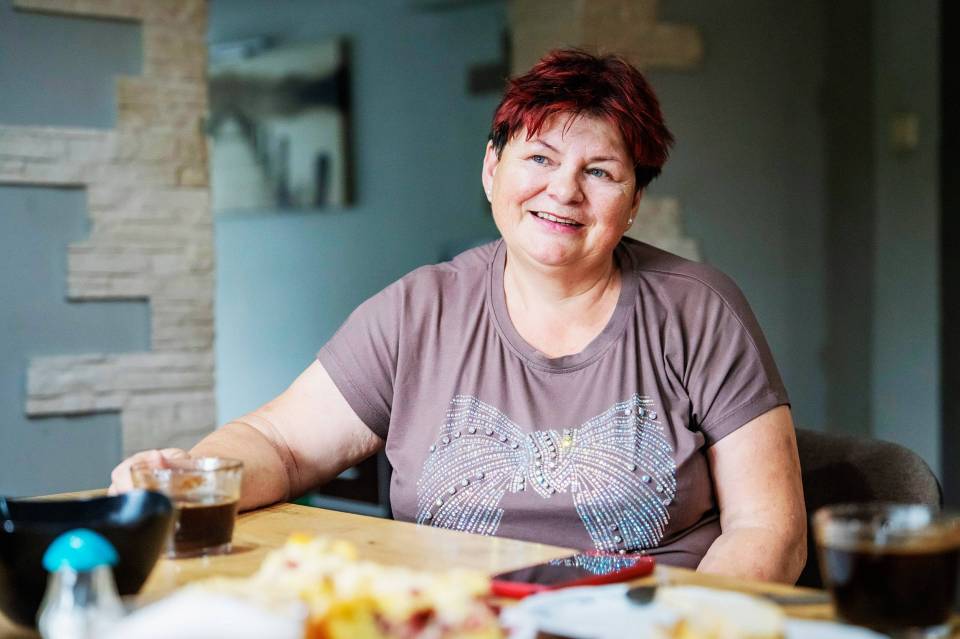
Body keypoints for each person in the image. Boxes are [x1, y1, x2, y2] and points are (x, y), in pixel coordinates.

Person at [111, 49, 806, 583]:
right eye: (539, 157)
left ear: (633, 203)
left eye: (600, 171)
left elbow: (768, 530)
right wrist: (190, 476)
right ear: (491, 170)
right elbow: (282, 443)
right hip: (448, 616)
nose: (563, 190)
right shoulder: (419, 309)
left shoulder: (699, 309)